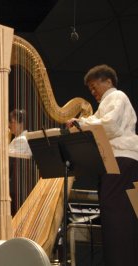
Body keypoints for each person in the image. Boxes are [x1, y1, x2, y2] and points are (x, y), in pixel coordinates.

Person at [66, 64, 138, 266]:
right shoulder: (106, 104)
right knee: (120, 215)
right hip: (119, 161)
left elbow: (111, 125)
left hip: (120, 159)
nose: (92, 91)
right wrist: (82, 124)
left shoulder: (117, 96)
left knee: (117, 217)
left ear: (108, 81)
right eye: (89, 88)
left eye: (94, 85)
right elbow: (97, 123)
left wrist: (81, 123)